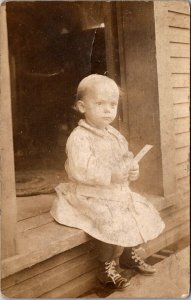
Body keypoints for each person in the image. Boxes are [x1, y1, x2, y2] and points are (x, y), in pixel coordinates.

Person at [50, 74, 165, 290]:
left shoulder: (114, 135)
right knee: (108, 218)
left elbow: (124, 159)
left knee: (137, 209)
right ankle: (106, 268)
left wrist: (131, 169)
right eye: (100, 104)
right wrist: (110, 176)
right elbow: (81, 169)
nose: (107, 110)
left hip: (113, 191)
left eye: (112, 104)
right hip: (89, 193)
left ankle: (129, 255)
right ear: (82, 107)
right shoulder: (79, 138)